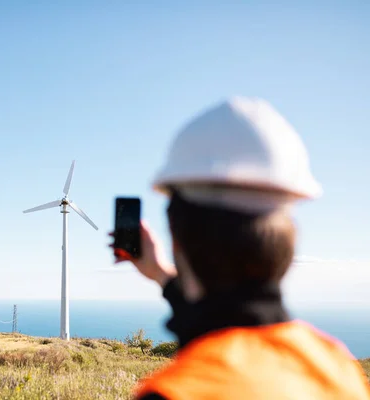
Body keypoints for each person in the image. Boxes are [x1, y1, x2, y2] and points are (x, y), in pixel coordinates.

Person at [110, 97, 370, 400]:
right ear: (287, 240)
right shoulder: (339, 370)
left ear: (175, 238)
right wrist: (162, 274)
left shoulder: (174, 392)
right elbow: (229, 324)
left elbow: (222, 331)